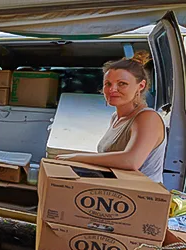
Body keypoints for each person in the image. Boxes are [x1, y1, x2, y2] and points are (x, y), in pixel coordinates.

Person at [58, 51, 167, 184]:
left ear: (141, 86)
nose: (112, 89)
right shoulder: (116, 117)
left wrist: (77, 157)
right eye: (108, 84)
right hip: (117, 191)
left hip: (142, 197)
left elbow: (131, 161)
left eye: (122, 84)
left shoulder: (147, 117)